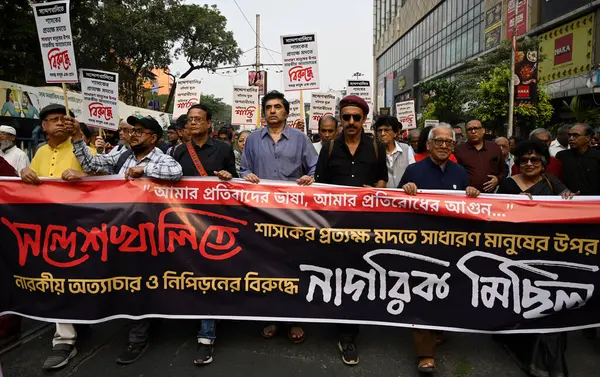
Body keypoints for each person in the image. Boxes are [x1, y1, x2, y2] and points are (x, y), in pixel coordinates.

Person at [70, 115, 182, 365]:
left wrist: (145, 170)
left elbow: (176, 172)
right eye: (132, 131)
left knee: (140, 283)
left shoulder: (163, 159)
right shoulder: (121, 156)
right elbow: (91, 163)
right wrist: (78, 136)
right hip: (120, 233)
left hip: (148, 235)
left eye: (139, 131)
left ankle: (137, 337)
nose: (132, 135)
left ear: (153, 138)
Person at [399, 124, 479, 374]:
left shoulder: (459, 173)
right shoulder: (413, 170)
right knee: (421, 294)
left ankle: (438, 331)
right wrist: (405, 190)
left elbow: (467, 208)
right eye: (439, 141)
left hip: (452, 246)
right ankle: (426, 354)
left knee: (446, 292)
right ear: (429, 145)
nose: (444, 146)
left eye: (448, 142)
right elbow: (397, 205)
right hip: (420, 245)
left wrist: (472, 193)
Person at [20, 104, 94, 370]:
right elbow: (28, 184)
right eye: (55, 120)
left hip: (80, 229)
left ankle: (77, 325)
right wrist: (23, 174)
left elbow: (104, 179)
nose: (61, 124)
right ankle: (64, 340)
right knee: (57, 278)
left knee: (77, 278)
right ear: (45, 126)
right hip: (48, 230)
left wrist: (83, 174)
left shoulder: (82, 149)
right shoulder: (39, 152)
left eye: (65, 119)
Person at [240, 90, 317, 345]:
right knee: (265, 265)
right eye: (269, 107)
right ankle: (270, 315)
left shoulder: (300, 139)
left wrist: (310, 178)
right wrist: (247, 175)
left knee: (294, 264)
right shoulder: (252, 139)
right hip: (262, 213)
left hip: (293, 214)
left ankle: (295, 318)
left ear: (286, 111)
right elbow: (244, 168)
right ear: (264, 112)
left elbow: (314, 168)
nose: (273, 111)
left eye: (277, 107)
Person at [315, 95, 387, 366]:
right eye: (346, 117)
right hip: (334, 227)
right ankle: (342, 328)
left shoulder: (377, 148)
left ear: (364, 119)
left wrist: (378, 190)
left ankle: (350, 331)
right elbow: (321, 186)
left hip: (366, 227)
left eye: (357, 117)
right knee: (337, 274)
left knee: (358, 276)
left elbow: (383, 179)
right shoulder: (329, 147)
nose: (351, 122)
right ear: (341, 119)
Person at [496, 139, 573, 377]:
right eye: (524, 160)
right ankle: (528, 354)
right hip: (516, 255)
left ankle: (549, 362)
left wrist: (569, 197)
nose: (529, 164)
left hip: (548, 255)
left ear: (544, 163)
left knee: (552, 307)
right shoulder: (509, 185)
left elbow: (568, 200)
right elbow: (497, 217)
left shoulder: (552, 183)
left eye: (534, 160)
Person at [172, 104, 235, 365]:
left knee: (208, 275)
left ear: (209, 123)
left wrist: (228, 177)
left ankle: (206, 337)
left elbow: (236, 182)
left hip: (214, 225)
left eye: (199, 119)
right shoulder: (177, 152)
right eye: (190, 119)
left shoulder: (223, 149)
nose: (194, 123)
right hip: (184, 224)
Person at [454, 119, 507, 192]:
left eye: (476, 128)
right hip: (466, 195)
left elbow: (504, 170)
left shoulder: (494, 148)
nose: (473, 131)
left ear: (483, 130)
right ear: (466, 133)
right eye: (470, 129)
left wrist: (498, 179)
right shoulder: (458, 150)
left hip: (489, 196)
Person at [556, 123, 600, 195]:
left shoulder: (597, 156)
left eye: (576, 135)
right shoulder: (561, 156)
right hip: (568, 200)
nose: (571, 138)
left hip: (594, 202)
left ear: (588, 138)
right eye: (569, 135)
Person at [374, 115, 415, 188]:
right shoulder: (373, 151)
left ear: (395, 133)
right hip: (382, 197)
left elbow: (414, 174)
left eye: (386, 130)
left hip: (403, 197)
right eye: (380, 131)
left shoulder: (406, 149)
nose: (382, 134)